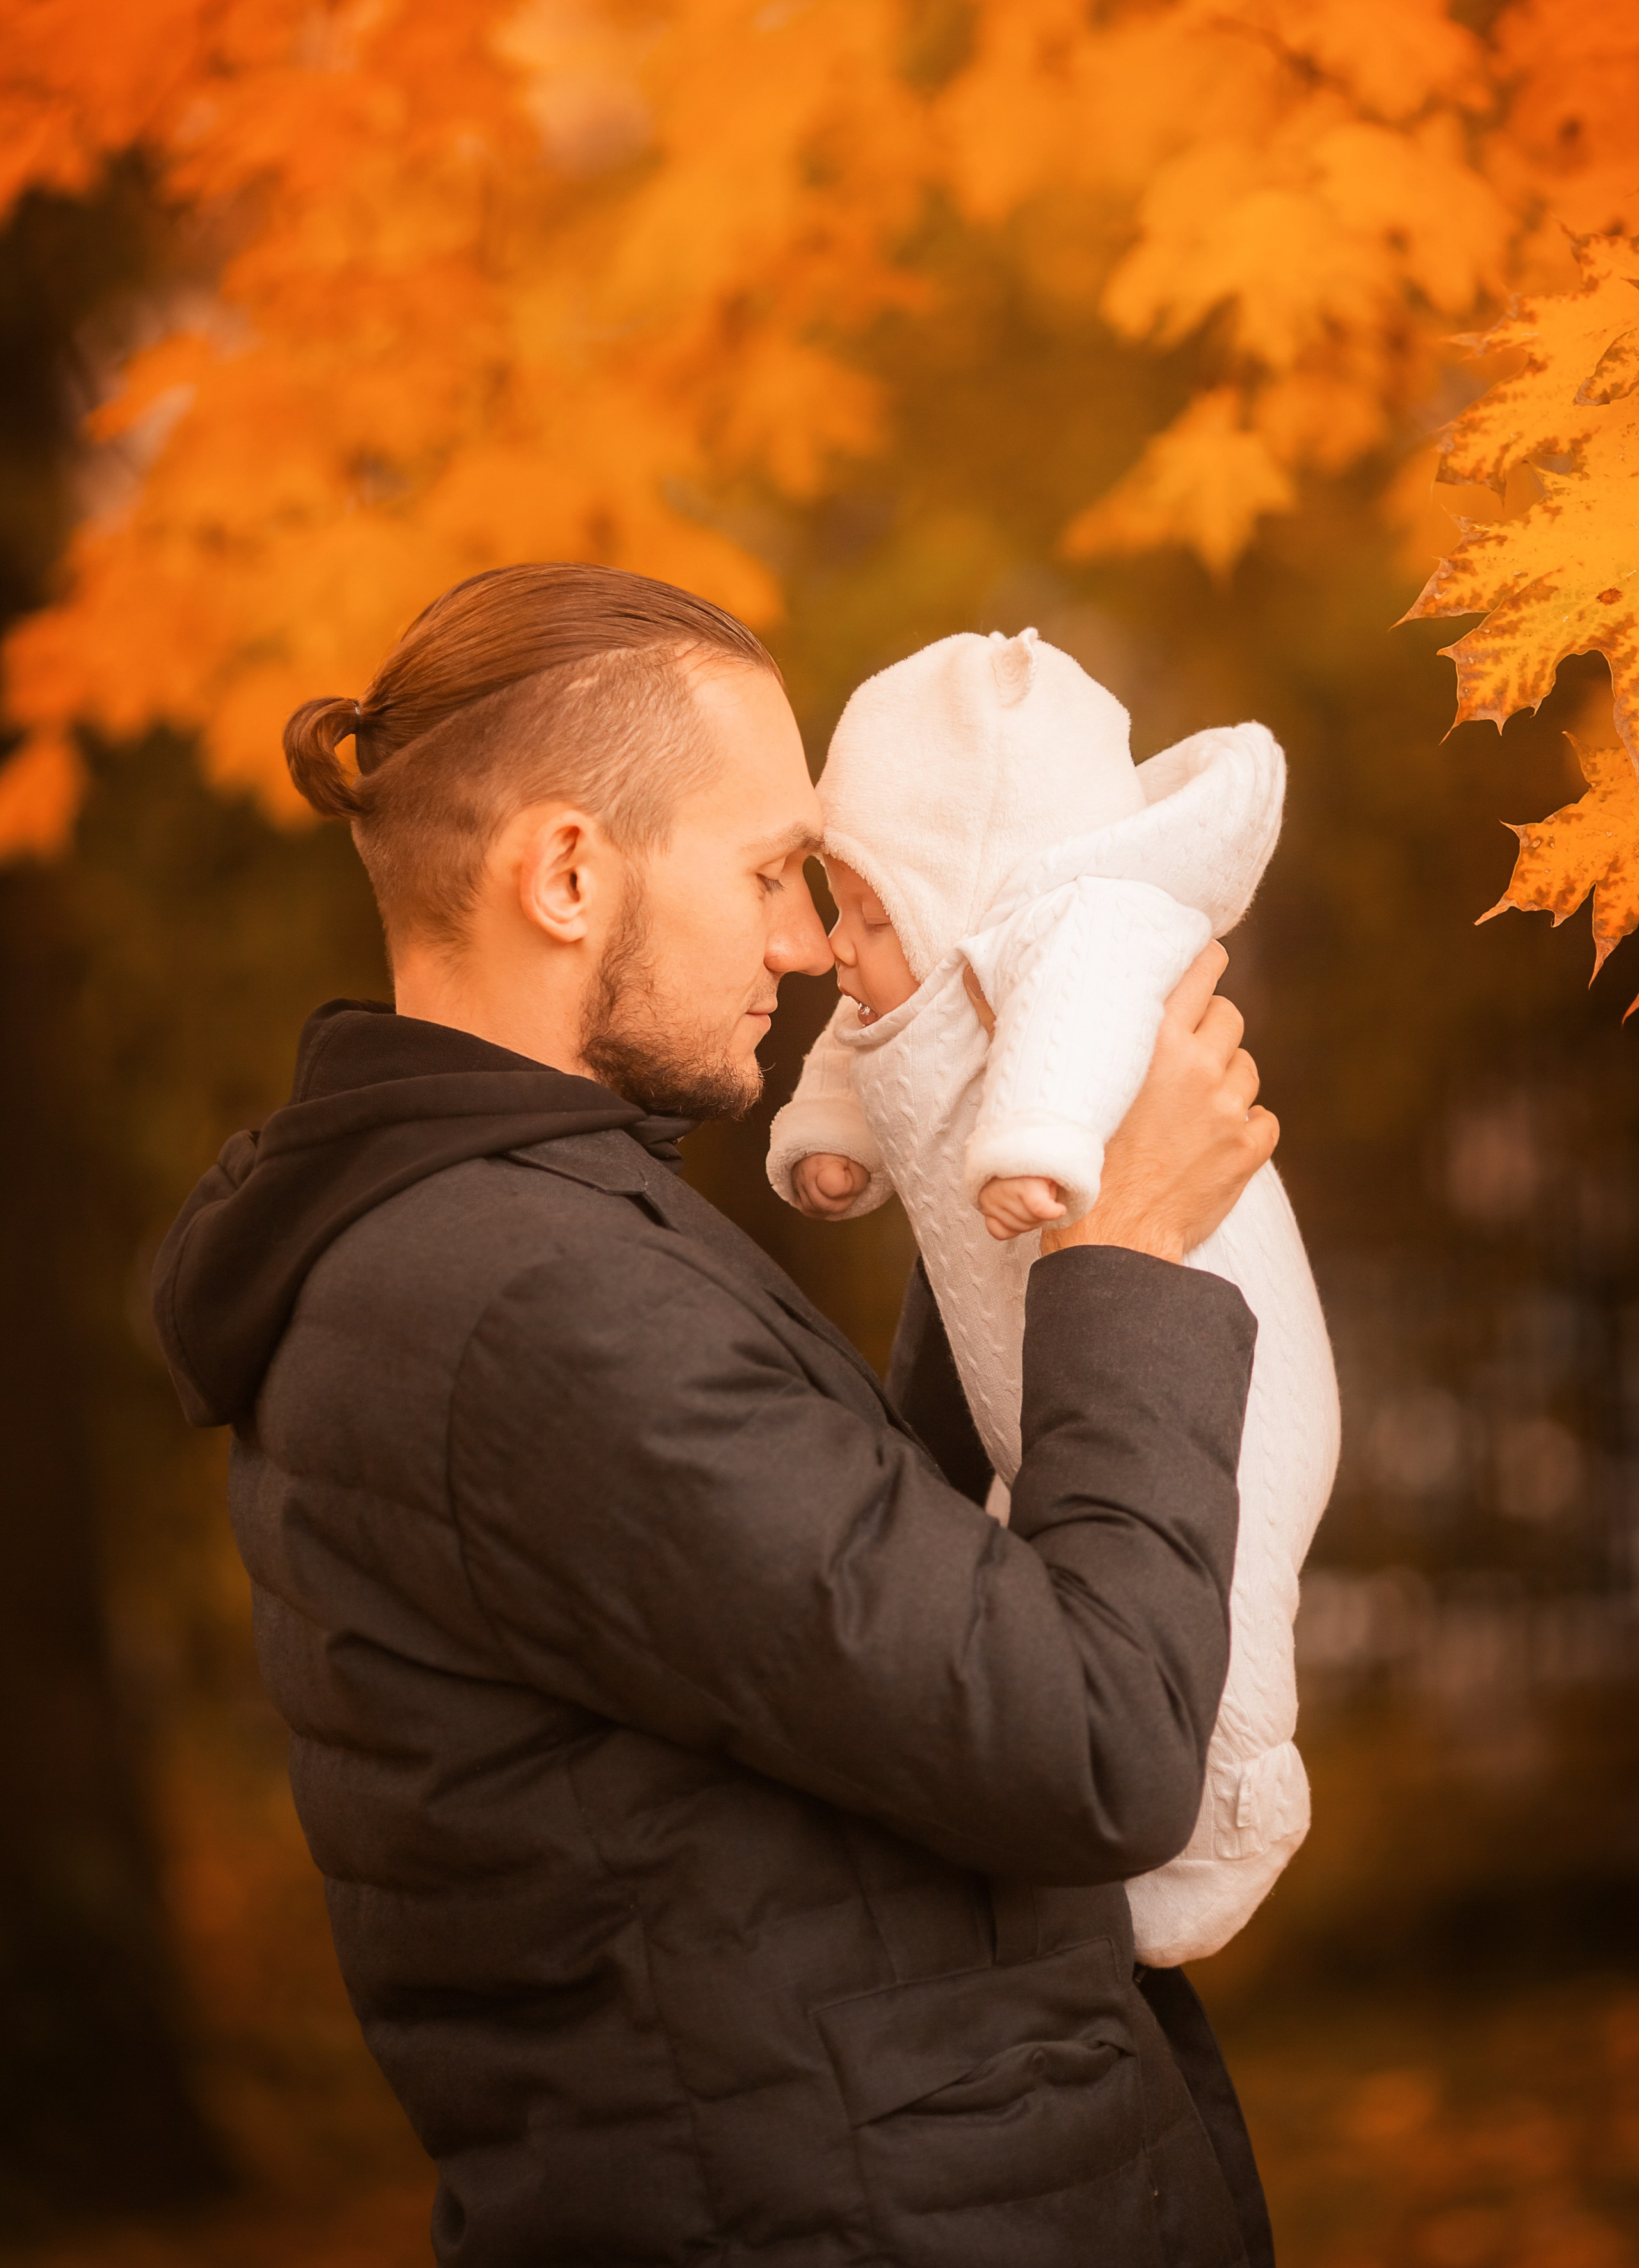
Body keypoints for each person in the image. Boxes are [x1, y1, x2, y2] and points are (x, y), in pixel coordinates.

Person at [152, 562, 1280, 2268]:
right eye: (769, 870)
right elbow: (1093, 1738)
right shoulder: (526, 1295)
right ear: (568, 870)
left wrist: (1010, 1238)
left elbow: (844, 1589)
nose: (809, 937)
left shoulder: (524, 1238)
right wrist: (1125, 1251)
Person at [768, 627, 1339, 1972]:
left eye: (863, 913)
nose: (835, 950)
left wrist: (1036, 1136)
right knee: (1053, 1572)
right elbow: (859, 1054)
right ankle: (1112, 1834)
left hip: (1212, 1365)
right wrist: (824, 1141)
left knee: (1224, 1571)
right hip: (1052, 1366)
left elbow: (1081, 1024)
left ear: (958, 890)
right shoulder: (912, 981)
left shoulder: (1090, 923)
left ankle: (1242, 1790)